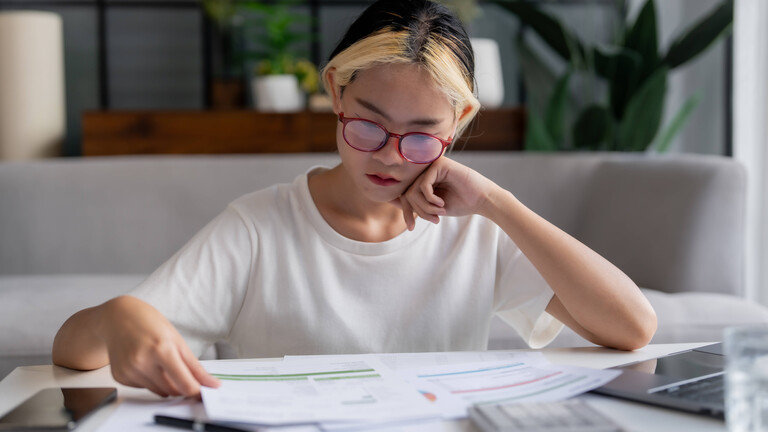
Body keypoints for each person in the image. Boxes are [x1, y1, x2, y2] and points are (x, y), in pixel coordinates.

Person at [52, 0, 656, 399]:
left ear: (460, 122)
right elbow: (73, 352)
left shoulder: (471, 230)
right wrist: (117, 316)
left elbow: (632, 328)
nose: (391, 156)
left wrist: (499, 203)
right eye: (367, 127)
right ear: (337, 92)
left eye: (421, 137)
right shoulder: (260, 228)